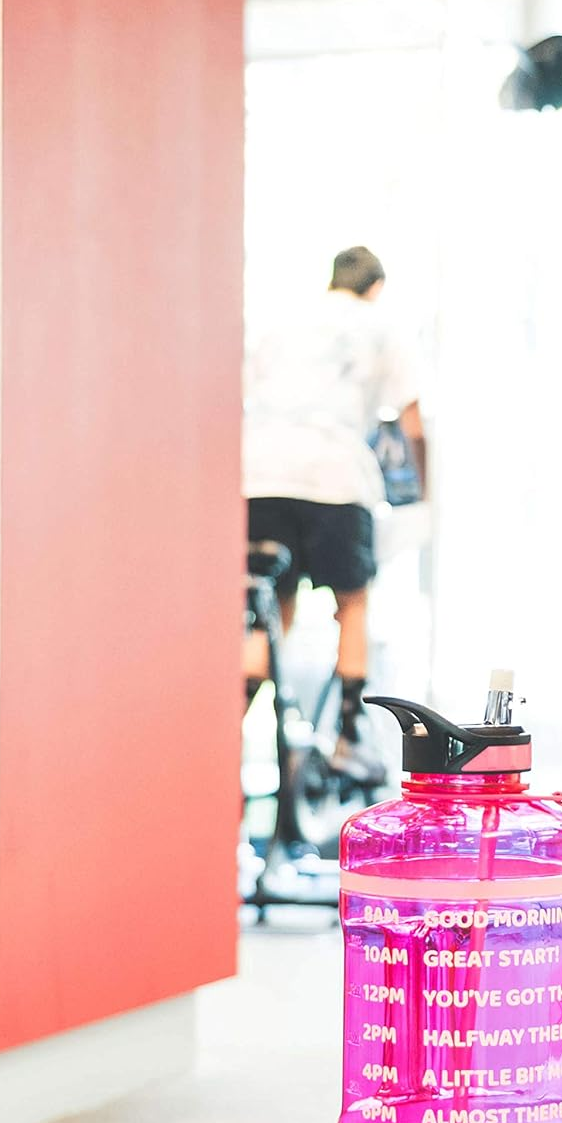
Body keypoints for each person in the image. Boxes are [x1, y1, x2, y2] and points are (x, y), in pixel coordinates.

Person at [242, 246, 425, 783]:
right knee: (353, 601)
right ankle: (350, 734)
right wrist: (421, 494)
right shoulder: (381, 322)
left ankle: (231, 726)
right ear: (375, 286)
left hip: (260, 475)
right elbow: (411, 422)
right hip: (335, 476)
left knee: (270, 604)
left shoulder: (283, 322)